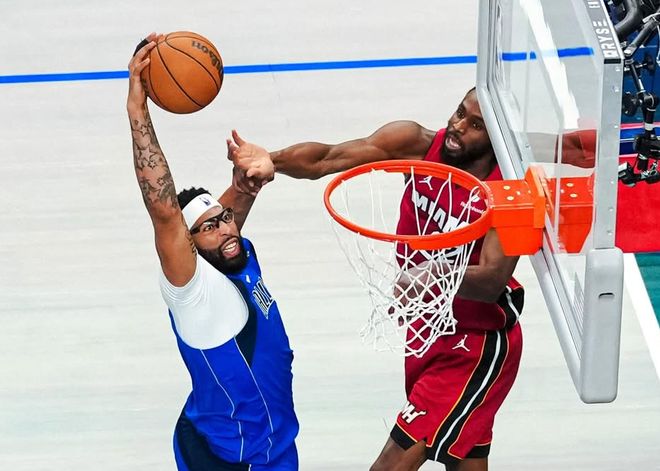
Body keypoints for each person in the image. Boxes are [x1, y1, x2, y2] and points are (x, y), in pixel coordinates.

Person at [227, 87, 524, 471]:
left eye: (476, 125)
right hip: (429, 330)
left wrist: (433, 272)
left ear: (496, 138)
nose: (457, 126)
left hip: (477, 344)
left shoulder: (507, 191)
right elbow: (328, 158)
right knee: (465, 458)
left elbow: (494, 279)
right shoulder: (418, 144)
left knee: (391, 463)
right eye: (459, 112)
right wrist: (272, 160)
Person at [127, 35, 299, 471]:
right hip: (236, 459)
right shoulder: (195, 293)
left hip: (271, 443)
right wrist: (138, 111)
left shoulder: (233, 254)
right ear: (188, 246)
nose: (226, 228)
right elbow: (165, 213)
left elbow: (225, 218)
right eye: (208, 227)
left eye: (225, 218)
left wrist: (244, 185)